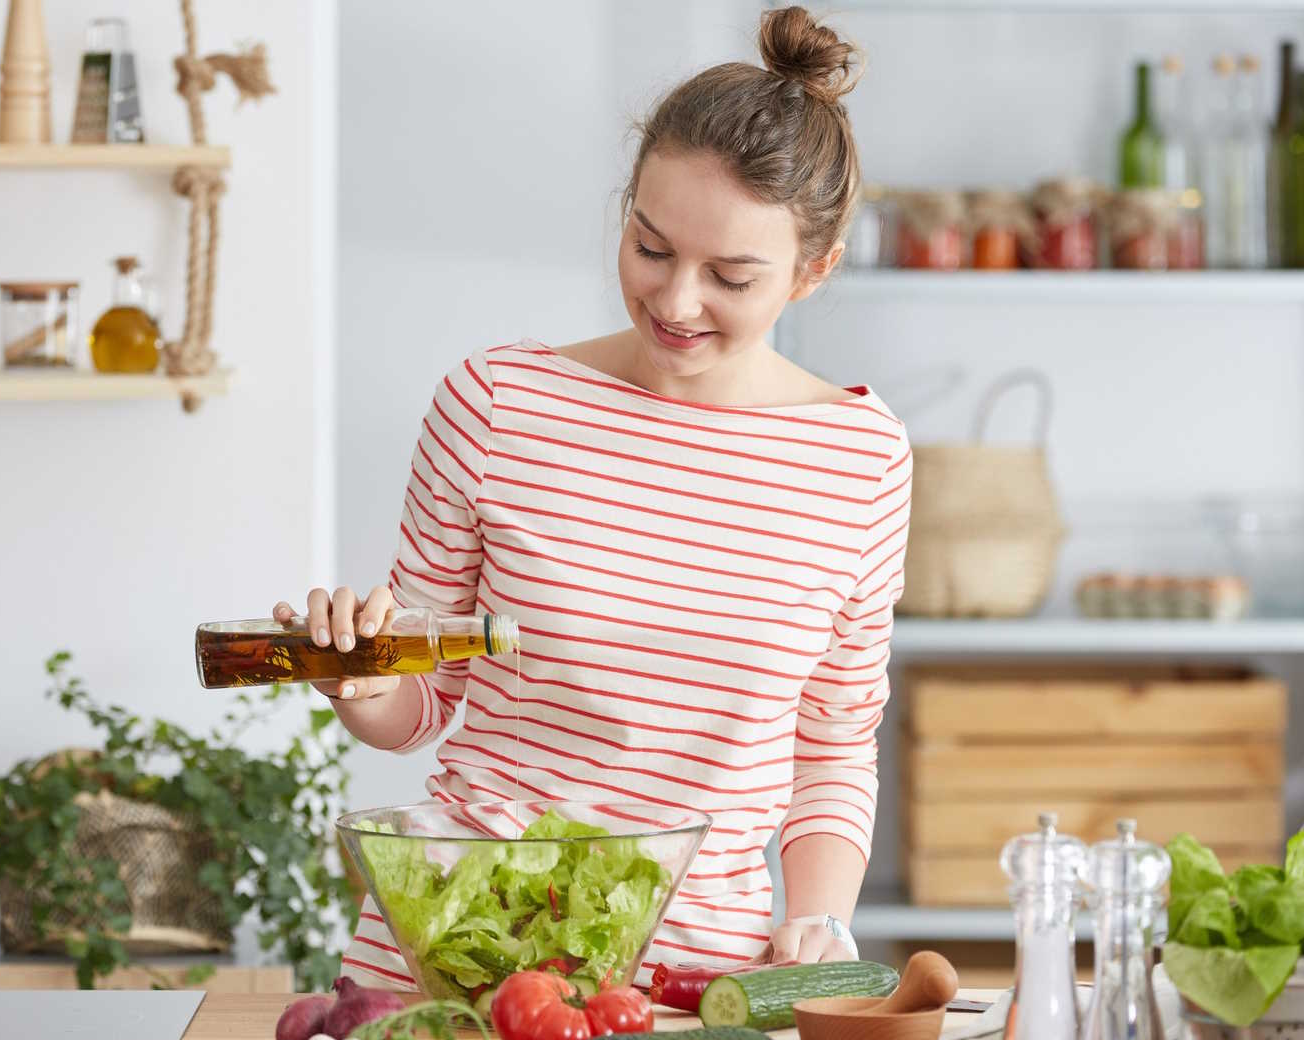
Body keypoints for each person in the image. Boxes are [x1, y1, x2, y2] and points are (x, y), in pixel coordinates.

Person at [278, 5, 911, 988]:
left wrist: (823, 917)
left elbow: (832, 740)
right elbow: (423, 701)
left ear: (814, 271)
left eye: (731, 275)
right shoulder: (496, 405)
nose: (676, 301)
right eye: (651, 248)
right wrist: (358, 681)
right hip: (461, 945)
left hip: (691, 983)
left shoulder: (861, 459)